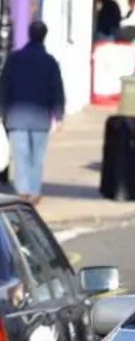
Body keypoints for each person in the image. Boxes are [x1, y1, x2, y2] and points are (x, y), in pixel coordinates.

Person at [0, 21, 65, 208]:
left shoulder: (14, 59)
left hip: (17, 116)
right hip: (40, 117)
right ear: (44, 36)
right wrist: (58, 116)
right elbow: (57, 91)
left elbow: (4, 86)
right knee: (37, 157)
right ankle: (35, 192)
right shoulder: (50, 62)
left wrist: (1, 111)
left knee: (20, 156)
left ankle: (23, 191)